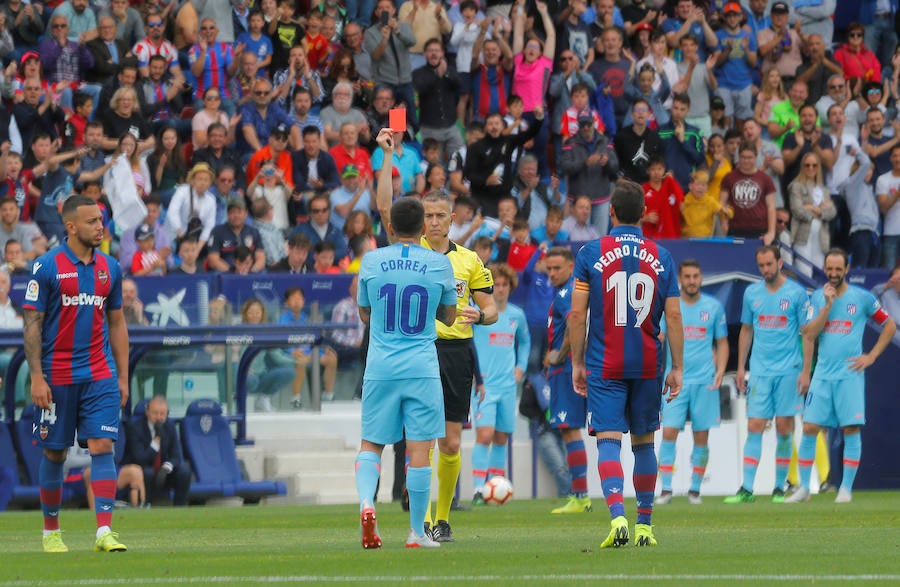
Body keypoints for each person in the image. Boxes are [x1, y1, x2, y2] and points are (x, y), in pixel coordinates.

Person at [373, 126, 497, 542]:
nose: (434, 222)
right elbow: (384, 206)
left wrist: (480, 317)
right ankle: (421, 522)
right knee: (422, 443)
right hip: (420, 350)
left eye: (441, 215)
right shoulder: (410, 250)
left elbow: (491, 306)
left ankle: (442, 519)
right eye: (428, 216)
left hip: (457, 353)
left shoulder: (469, 260)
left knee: (450, 443)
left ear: (453, 218)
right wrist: (388, 156)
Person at [569, 178, 683, 548]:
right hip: (649, 363)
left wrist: (576, 362)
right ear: (644, 216)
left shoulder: (590, 253)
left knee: (608, 441)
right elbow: (676, 317)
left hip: (605, 363)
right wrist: (677, 366)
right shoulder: (662, 256)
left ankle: (618, 516)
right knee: (645, 443)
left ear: (612, 211)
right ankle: (645, 525)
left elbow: (576, 315)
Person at [354, 152, 457, 549]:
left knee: (371, 445)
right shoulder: (438, 264)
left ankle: (367, 503)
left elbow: (365, 313)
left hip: (380, 365)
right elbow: (448, 317)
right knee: (419, 451)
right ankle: (416, 533)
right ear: (423, 227)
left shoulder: (372, 261)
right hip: (421, 366)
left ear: (392, 226)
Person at [22, 194, 129, 553]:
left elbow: (117, 323)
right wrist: (37, 377)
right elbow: (32, 324)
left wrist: (123, 377)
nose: (100, 227)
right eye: (92, 222)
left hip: (99, 372)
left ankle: (104, 532)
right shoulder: (46, 267)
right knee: (55, 454)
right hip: (56, 376)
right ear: (70, 227)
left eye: (101, 220)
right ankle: (51, 531)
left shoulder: (110, 267)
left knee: (103, 446)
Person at [787, 249, 896, 503]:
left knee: (850, 428)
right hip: (823, 374)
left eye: (838, 269)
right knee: (810, 427)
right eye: (829, 269)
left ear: (847, 269)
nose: (833, 274)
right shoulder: (816, 298)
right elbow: (809, 334)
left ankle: (846, 488)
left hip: (850, 374)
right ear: (824, 269)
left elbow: (889, 326)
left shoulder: (863, 298)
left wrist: (872, 356)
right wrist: (827, 306)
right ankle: (804, 488)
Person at [725, 245, 810, 504]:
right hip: (760, 370)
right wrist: (741, 366)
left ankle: (778, 487)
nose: (765, 270)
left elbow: (807, 333)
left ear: (780, 262)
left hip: (789, 370)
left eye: (769, 265)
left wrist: (806, 371)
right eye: (761, 265)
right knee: (754, 426)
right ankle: (747, 489)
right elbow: (746, 330)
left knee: (785, 428)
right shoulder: (752, 293)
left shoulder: (796, 293)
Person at [656, 260, 728, 506]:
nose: (692, 280)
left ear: (701, 278)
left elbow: (722, 342)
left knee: (701, 437)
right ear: (680, 278)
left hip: (704, 380)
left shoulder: (713, 307)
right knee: (668, 433)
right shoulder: (671, 307)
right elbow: (660, 337)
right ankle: (666, 489)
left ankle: (695, 491)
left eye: (696, 276)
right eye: (687, 276)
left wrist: (720, 370)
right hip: (676, 379)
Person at [471, 263, 529, 505]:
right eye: (497, 285)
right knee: (484, 435)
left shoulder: (517, 315)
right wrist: (473, 373)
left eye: (505, 285)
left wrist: (521, 367)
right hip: (484, 386)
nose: (501, 289)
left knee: (502, 437)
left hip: (507, 387)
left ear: (510, 287)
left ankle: (495, 486)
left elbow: (525, 342)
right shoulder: (478, 313)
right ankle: (478, 489)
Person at [543, 246, 592, 514]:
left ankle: (581, 496)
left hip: (566, 371)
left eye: (557, 268)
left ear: (571, 267)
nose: (552, 273)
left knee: (570, 429)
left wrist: (558, 356)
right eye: (549, 268)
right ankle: (581, 495)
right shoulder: (569, 291)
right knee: (570, 430)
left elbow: (576, 324)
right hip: (570, 369)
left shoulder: (567, 294)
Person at [124, 395, 192, 506]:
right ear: (147, 412)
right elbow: (139, 458)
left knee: (184, 471)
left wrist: (167, 467)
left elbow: (176, 456)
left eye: (162, 414)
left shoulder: (170, 426)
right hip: (142, 470)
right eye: (155, 413)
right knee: (148, 472)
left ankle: (180, 507)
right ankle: (145, 504)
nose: (159, 417)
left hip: (163, 471)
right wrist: (154, 445)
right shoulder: (135, 428)